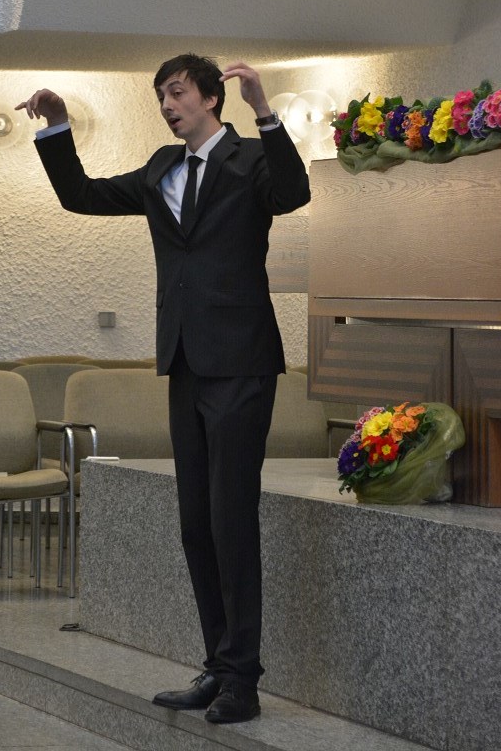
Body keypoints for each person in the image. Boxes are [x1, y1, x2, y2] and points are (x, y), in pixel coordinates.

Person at [16, 55, 310, 724]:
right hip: (184, 360)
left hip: (241, 363)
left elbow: (293, 193)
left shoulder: (250, 159)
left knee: (232, 519)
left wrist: (265, 111)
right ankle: (218, 665)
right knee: (196, 524)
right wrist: (56, 128)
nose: (167, 106)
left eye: (176, 93)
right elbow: (80, 194)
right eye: (160, 97)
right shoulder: (161, 168)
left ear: (211, 98)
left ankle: (243, 680)